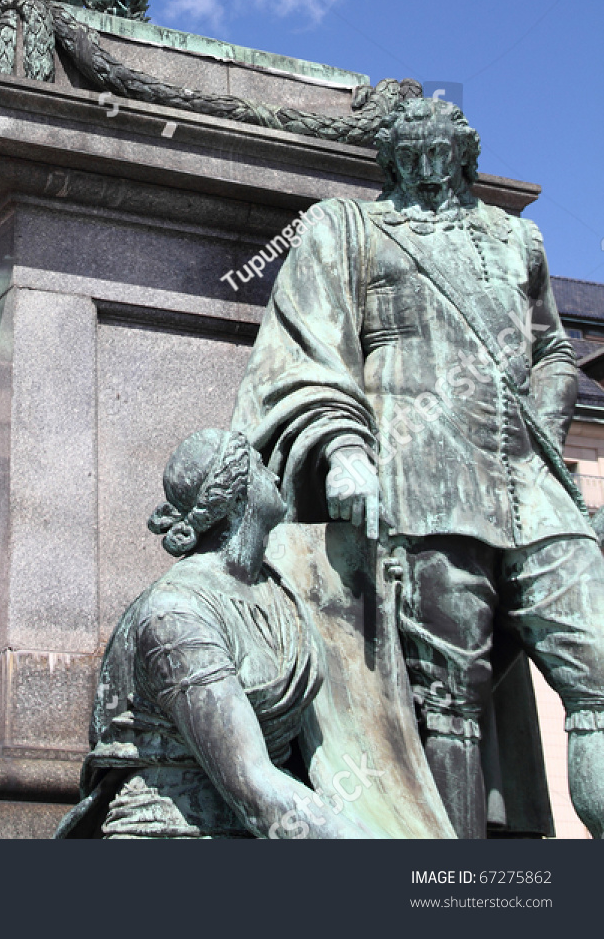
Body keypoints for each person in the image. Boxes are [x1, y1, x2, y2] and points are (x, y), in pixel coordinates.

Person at [232, 96, 604, 838]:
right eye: (411, 153)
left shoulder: (514, 238)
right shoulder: (346, 227)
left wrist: (548, 412)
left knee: (595, 669)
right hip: (420, 480)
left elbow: (553, 349)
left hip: (530, 483)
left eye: (442, 152)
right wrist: (343, 451)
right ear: (390, 159)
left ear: (465, 154)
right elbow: (306, 350)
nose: (428, 167)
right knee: (447, 697)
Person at [57, 429, 357, 839]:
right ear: (235, 497)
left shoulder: (281, 596)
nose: (273, 474)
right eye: (258, 464)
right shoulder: (175, 614)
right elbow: (254, 787)